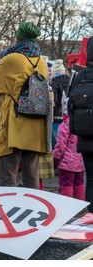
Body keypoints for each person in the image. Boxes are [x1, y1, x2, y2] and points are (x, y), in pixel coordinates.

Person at [0, 22, 51, 189]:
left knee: (7, 176)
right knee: (31, 177)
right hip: (35, 124)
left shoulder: (12, 59)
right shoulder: (40, 60)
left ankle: (10, 212)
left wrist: (6, 87)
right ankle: (32, 211)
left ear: (18, 37)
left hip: (13, 123)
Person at [68, 36, 93, 212]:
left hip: (85, 137)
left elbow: (70, 107)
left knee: (90, 179)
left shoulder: (80, 75)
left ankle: (91, 219)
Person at [52, 112, 85, 200]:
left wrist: (55, 156)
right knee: (79, 183)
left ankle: (66, 206)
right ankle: (80, 206)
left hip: (66, 162)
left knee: (66, 184)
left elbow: (61, 144)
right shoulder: (84, 121)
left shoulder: (67, 123)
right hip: (81, 161)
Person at [51, 59, 69, 148]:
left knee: (56, 144)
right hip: (68, 117)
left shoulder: (54, 83)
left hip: (56, 117)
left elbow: (54, 102)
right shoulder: (70, 80)